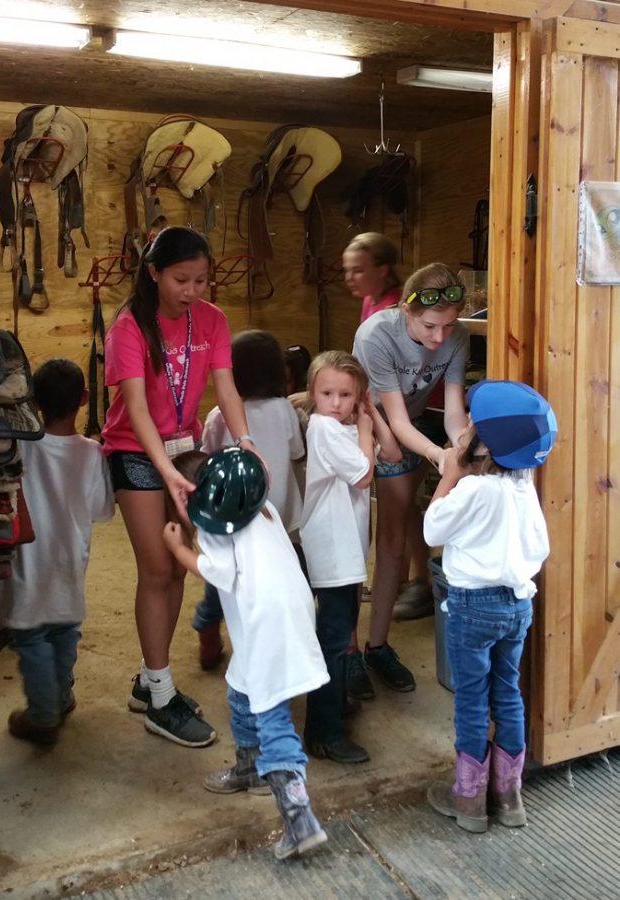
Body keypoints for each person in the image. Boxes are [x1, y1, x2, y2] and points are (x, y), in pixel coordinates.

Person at [101, 226, 256, 748]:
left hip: (184, 451)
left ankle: (152, 683)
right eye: (181, 279)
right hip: (134, 451)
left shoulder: (212, 319)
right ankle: (161, 696)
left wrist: (245, 440)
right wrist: (162, 468)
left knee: (179, 573)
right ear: (153, 273)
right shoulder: (128, 327)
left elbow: (226, 388)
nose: (193, 290)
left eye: (201, 279)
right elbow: (137, 410)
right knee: (159, 567)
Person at [164, 448, 329, 860]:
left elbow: (215, 571)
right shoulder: (261, 508)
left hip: (266, 627)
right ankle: (250, 768)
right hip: (288, 614)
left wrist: (179, 547)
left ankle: (300, 819)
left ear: (192, 498)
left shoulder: (218, 530)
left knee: (272, 715)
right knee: (241, 691)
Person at [424, 380, 557, 833]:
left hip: (471, 608)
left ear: (483, 443)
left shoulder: (473, 491)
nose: (463, 430)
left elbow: (432, 531)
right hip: (517, 606)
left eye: (470, 426)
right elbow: (539, 550)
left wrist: (449, 474)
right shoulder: (523, 488)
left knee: (472, 700)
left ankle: (468, 799)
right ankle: (509, 795)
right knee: (509, 696)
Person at [351, 263, 470, 696]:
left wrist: (462, 448)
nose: (440, 338)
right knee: (352, 544)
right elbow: (393, 418)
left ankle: (377, 646)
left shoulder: (456, 338)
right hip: (363, 430)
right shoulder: (376, 336)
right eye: (430, 326)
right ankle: (347, 656)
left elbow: (454, 411)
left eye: (449, 325)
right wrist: (441, 455)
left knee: (394, 540)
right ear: (406, 309)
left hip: (412, 434)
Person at [0, 359, 114, 745]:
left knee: (31, 637)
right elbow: (101, 511)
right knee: (64, 631)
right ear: (85, 399)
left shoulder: (20, 448)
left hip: (28, 561)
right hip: (70, 559)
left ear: (34, 402)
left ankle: (44, 715)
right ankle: (60, 697)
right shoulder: (93, 453)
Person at [300, 351, 400, 764]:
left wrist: (371, 417)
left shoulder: (348, 427)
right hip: (331, 548)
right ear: (313, 394)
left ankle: (336, 704)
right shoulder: (323, 428)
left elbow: (391, 454)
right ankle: (323, 731)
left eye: (346, 395)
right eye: (327, 393)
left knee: (340, 635)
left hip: (348, 549)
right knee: (334, 638)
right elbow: (363, 475)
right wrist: (362, 429)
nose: (335, 403)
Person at [193, 330, 305, 669]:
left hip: (232, 523)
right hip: (279, 522)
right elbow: (297, 453)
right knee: (283, 578)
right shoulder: (284, 410)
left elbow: (205, 462)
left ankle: (209, 632)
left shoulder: (218, 415)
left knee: (225, 579)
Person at [342, 231, 402, 324]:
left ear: (382, 271)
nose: (348, 278)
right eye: (346, 270)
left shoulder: (393, 311)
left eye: (358, 271)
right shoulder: (369, 298)